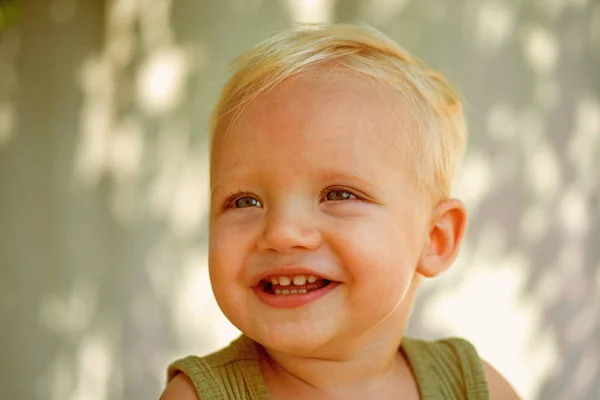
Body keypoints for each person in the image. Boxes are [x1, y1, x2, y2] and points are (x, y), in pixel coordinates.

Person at [160, 23, 521, 400]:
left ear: (434, 238)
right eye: (245, 201)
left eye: (338, 194)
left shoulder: (474, 388)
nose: (282, 232)